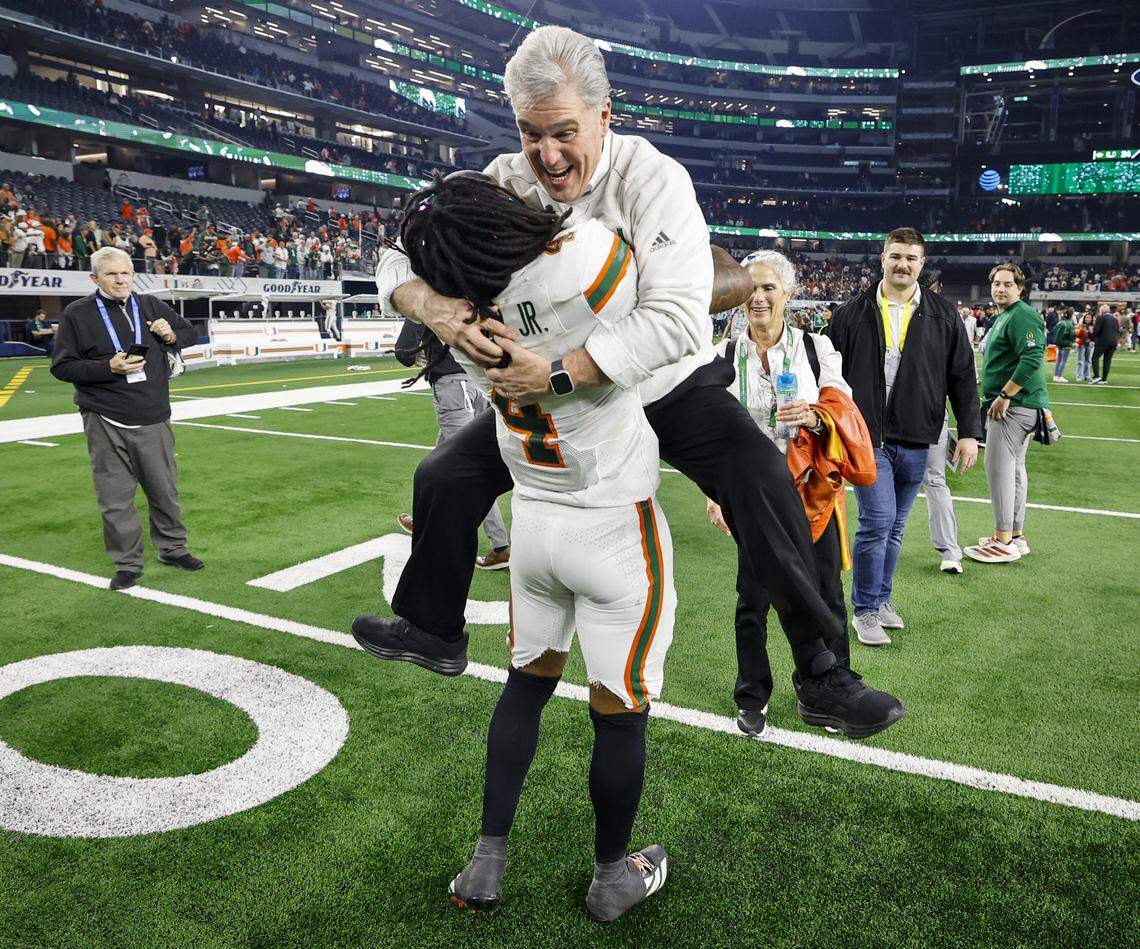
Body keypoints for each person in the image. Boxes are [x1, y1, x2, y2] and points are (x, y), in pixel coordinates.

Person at [357, 26, 903, 737]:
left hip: (662, 385)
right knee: (442, 476)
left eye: (563, 133)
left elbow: (674, 321)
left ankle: (822, 675)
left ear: (604, 115)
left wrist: (555, 373)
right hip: (562, 399)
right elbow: (397, 251)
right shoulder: (505, 181)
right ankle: (432, 627)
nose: (547, 156)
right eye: (530, 134)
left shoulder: (653, 179)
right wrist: (433, 308)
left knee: (763, 480)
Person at [367, 173, 673, 920]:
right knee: (620, 710)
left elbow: (390, 261)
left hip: (534, 521)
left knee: (526, 687)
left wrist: (428, 300)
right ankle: (611, 876)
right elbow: (678, 296)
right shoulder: (580, 262)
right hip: (614, 523)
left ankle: (486, 861)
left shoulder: (459, 312)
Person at [708, 251, 892, 739]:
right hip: (753, 496)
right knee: (753, 602)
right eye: (751, 288)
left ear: (788, 295)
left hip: (812, 494)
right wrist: (715, 494)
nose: (759, 297)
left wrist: (814, 416)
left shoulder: (815, 348)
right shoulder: (723, 354)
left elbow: (844, 407)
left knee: (827, 595)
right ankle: (752, 695)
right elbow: (712, 434)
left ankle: (830, 690)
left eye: (769, 287)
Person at [826, 228, 980, 646]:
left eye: (911, 258)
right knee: (877, 520)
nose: (902, 264)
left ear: (922, 264)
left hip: (917, 433)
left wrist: (970, 432)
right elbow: (826, 374)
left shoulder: (943, 314)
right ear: (882, 258)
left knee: (895, 526)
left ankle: (882, 600)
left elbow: (962, 376)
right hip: (866, 436)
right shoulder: (850, 313)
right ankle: (864, 609)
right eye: (895, 256)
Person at [50, 247, 204, 591]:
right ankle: (127, 564)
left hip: (152, 414)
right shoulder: (77, 313)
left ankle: (173, 549)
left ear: (133, 275)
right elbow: (62, 367)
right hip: (104, 418)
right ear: (95, 278)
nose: (120, 280)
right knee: (115, 498)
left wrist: (170, 335)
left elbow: (190, 335)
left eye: (125, 273)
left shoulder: (150, 305)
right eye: (111, 274)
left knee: (164, 490)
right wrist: (108, 367)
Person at [393, 319, 511, 569]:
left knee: (472, 468)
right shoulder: (465, 300)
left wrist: (425, 354)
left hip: (453, 388)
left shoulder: (426, 303)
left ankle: (501, 547)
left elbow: (404, 352)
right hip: (478, 383)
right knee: (438, 461)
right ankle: (424, 520)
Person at [964, 265, 1048, 564]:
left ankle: (1003, 541)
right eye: (997, 283)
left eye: (1008, 284)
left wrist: (1005, 395)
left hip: (1014, 407)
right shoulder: (1008, 315)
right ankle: (1015, 535)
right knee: (1013, 470)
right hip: (1019, 405)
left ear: (1020, 288)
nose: (1000, 288)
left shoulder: (1021, 314)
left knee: (998, 468)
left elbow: (1033, 357)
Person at [1090, 305, 1120, 384]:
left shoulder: (1101, 318)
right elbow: (1118, 330)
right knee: (1107, 361)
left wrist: (1092, 336)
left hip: (1102, 342)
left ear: (1102, 311)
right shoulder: (1115, 319)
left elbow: (1097, 330)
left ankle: (1096, 376)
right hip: (1113, 342)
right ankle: (1104, 379)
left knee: (1094, 358)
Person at [1052, 310, 1075, 382]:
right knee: (1063, 361)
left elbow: (1054, 330)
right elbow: (1072, 335)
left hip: (1059, 344)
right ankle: (1059, 376)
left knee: (1059, 361)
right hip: (1066, 344)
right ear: (1071, 316)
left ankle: (1056, 376)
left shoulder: (1060, 322)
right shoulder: (1070, 324)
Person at [1074, 312, 1095, 381]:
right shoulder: (1080, 325)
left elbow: (1096, 335)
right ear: (1084, 318)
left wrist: (1093, 341)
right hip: (1081, 344)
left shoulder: (1093, 326)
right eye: (1086, 317)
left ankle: (1087, 375)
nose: (1088, 319)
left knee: (1088, 361)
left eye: (1089, 317)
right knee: (1080, 361)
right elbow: (1076, 335)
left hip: (1090, 345)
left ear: (1092, 319)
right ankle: (1079, 376)